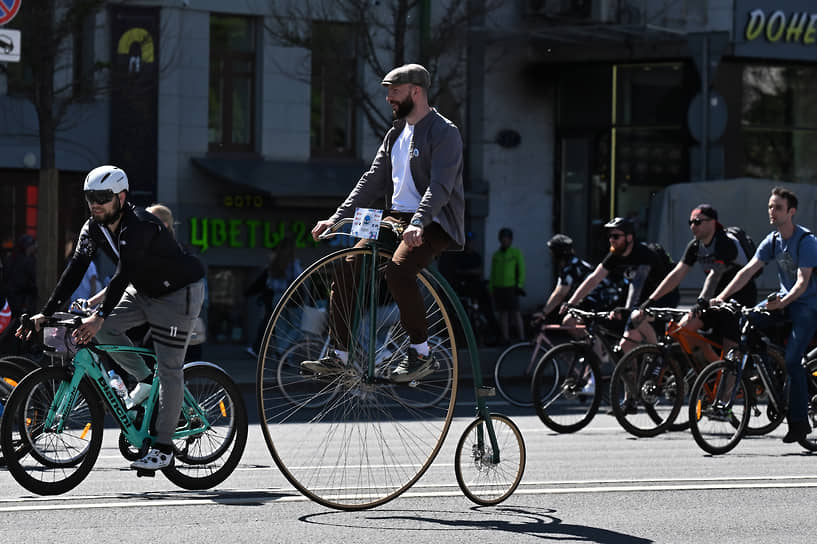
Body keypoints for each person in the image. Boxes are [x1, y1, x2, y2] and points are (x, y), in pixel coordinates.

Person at [18, 165, 206, 471]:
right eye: (90, 197)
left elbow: (123, 274)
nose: (95, 203)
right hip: (143, 291)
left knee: (170, 368)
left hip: (178, 295)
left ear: (121, 196)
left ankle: (163, 446)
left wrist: (100, 315)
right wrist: (47, 312)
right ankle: (146, 378)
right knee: (98, 332)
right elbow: (75, 268)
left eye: (103, 197)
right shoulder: (92, 227)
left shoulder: (140, 224)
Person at [300, 63, 465, 382]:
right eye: (388, 91)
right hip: (394, 219)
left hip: (432, 221)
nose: (389, 97)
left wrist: (419, 220)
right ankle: (340, 355)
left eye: (395, 91)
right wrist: (338, 217)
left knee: (399, 271)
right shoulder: (395, 134)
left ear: (416, 91)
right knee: (348, 266)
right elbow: (372, 180)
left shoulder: (445, 132)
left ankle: (420, 353)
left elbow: (441, 185)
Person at [712, 186, 817, 444]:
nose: (772, 211)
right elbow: (747, 271)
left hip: (807, 306)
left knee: (794, 360)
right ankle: (771, 367)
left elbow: (802, 283)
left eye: (777, 207)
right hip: (783, 301)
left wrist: (783, 302)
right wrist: (721, 297)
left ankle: (799, 422)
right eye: (770, 206)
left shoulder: (806, 241)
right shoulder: (773, 240)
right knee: (747, 318)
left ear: (791, 212)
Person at [633, 204, 757, 350]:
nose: (693, 226)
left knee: (730, 349)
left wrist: (701, 301)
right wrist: (651, 299)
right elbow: (676, 274)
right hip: (713, 298)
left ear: (712, 222)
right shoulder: (695, 245)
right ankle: (708, 367)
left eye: (697, 222)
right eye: (690, 222)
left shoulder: (725, 242)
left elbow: (715, 274)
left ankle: (727, 371)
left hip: (739, 295)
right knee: (680, 331)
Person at [563, 217, 677, 353]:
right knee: (626, 347)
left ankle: (660, 356)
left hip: (664, 296)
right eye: (610, 236)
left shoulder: (644, 254)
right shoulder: (616, 254)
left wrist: (627, 309)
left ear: (629, 238)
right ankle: (634, 372)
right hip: (642, 299)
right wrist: (571, 303)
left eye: (616, 236)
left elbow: (637, 285)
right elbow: (594, 278)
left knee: (636, 317)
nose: (612, 240)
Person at [244, 240, 302, 358]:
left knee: (280, 328)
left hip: (277, 297)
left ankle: (282, 356)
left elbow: (268, 283)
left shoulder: (273, 264)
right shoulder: (292, 263)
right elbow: (299, 279)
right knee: (296, 327)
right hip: (290, 296)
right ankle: (283, 353)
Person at [489, 227, 526, 344]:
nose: (505, 241)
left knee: (515, 312)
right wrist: (491, 287)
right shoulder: (496, 255)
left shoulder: (515, 253)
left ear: (510, 240)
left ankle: (522, 338)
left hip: (511, 287)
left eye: (507, 239)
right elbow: (493, 272)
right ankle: (506, 338)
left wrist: (519, 284)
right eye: (503, 239)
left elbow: (521, 269)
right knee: (503, 313)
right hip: (499, 287)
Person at [5, 233, 38, 317]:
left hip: (16, 296)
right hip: (20, 297)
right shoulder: (24, 260)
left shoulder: (14, 258)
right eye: (32, 245)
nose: (34, 247)